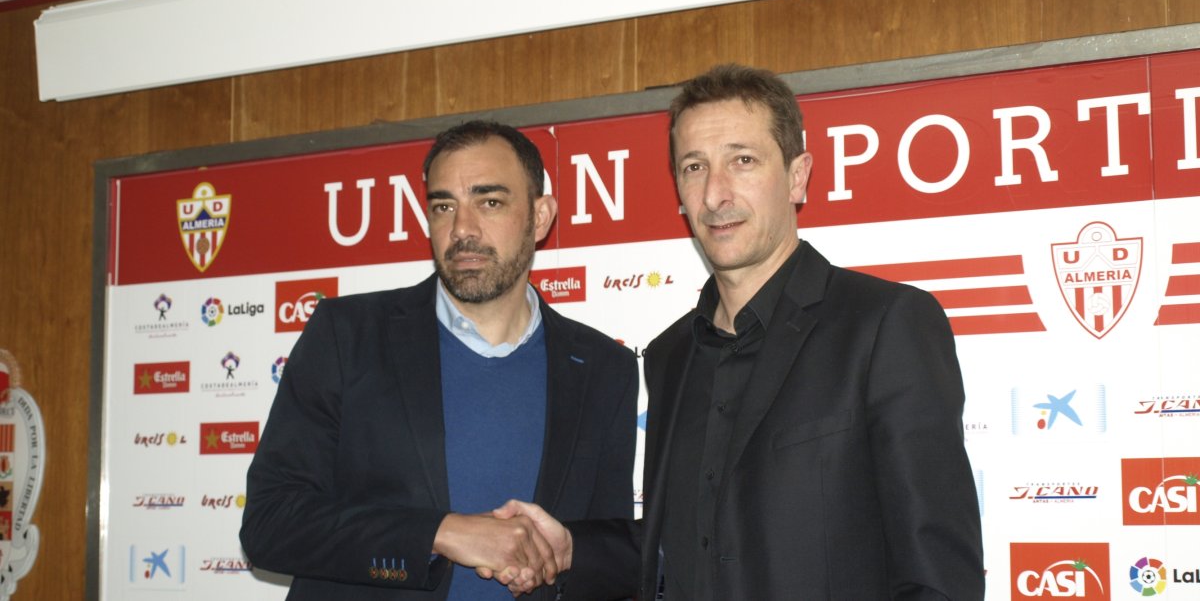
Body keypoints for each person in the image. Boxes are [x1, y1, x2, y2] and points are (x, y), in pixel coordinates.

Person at [498, 64, 985, 599]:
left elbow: (937, 577)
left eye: (743, 161)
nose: (715, 195)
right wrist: (570, 547)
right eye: (694, 167)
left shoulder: (884, 325)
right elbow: (683, 547)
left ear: (798, 176)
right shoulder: (670, 355)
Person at [240, 120, 639, 600]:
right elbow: (270, 524)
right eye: (443, 206)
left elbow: (612, 557)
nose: (462, 229)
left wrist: (569, 550)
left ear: (540, 216)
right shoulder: (346, 336)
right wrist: (440, 533)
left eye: (489, 202)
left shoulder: (603, 367)